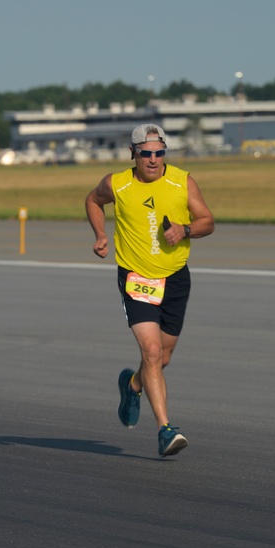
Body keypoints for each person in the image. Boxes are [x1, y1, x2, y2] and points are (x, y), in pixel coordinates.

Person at [85, 123, 215, 457]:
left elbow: (207, 221)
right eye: (146, 154)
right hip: (136, 278)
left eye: (159, 153)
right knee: (152, 352)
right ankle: (165, 429)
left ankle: (132, 386)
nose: (154, 160)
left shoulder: (182, 181)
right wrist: (100, 234)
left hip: (174, 279)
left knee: (163, 357)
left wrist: (185, 230)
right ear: (134, 154)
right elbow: (93, 200)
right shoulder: (117, 183)